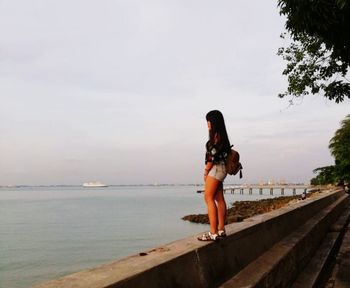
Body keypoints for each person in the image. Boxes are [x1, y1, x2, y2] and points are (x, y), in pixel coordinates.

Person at [198, 110, 231, 241]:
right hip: (222, 169)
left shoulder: (216, 137)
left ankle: (213, 232)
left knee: (208, 198)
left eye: (208, 121)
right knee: (219, 199)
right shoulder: (223, 136)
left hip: (216, 169)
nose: (207, 124)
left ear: (213, 122)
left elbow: (212, 156)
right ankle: (221, 229)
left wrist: (206, 171)